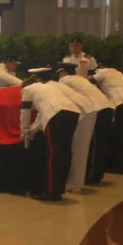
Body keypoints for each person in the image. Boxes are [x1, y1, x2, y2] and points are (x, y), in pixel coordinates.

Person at [20, 69, 80, 201]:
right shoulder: (48, 88)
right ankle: (58, 189)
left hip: (55, 117)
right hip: (73, 113)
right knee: (65, 153)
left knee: (54, 155)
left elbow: (25, 113)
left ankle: (50, 192)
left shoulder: (27, 90)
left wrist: (24, 132)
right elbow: (41, 117)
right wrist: (30, 131)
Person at [58, 64, 113, 185]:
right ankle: (96, 175)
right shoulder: (80, 79)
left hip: (97, 110)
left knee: (92, 145)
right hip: (107, 107)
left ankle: (90, 177)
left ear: (63, 72)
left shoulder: (64, 80)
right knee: (101, 144)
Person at [90, 66, 123, 174]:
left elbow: (89, 81)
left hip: (122, 101)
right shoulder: (118, 73)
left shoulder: (103, 72)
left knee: (120, 133)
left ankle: (119, 166)